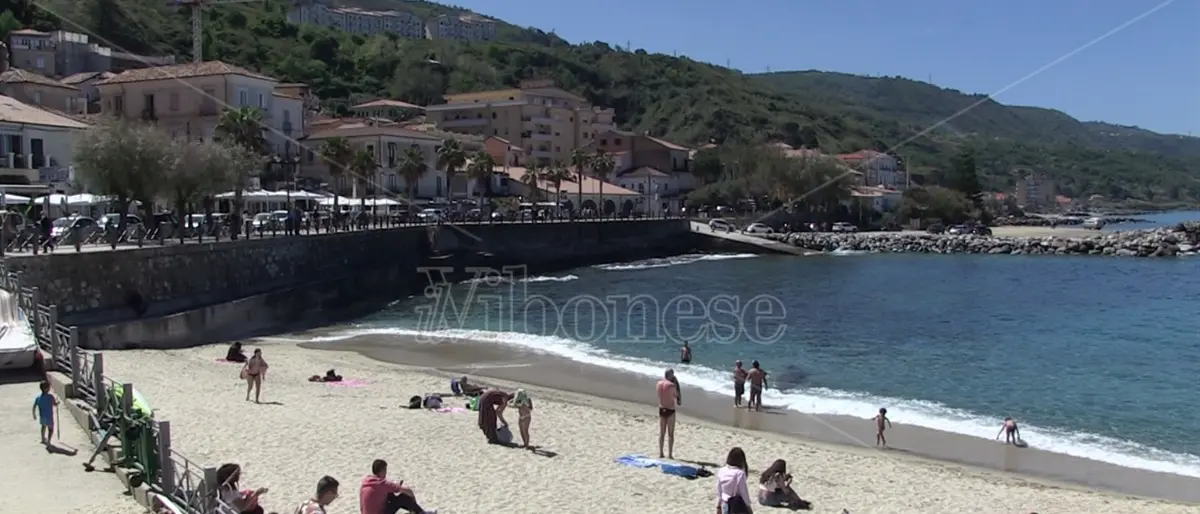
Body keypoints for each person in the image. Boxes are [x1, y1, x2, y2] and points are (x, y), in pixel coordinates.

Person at [359, 459, 437, 514]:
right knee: (402, 498)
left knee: (390, 494)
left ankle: (415, 511)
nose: (386, 473)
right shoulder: (381, 483)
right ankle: (421, 512)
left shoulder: (365, 482)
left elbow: (362, 505)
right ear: (382, 471)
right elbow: (408, 491)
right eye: (385, 471)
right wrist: (413, 500)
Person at [716, 447, 753, 514]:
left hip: (724, 503)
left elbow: (719, 491)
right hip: (736, 504)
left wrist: (718, 506)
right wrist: (748, 507)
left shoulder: (721, 470)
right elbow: (744, 492)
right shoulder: (740, 473)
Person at [656, 369, 681, 459]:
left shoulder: (658, 383)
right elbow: (676, 396)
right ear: (671, 376)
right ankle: (670, 454)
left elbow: (659, 395)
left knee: (662, 432)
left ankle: (661, 453)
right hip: (670, 409)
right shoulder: (672, 385)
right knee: (670, 433)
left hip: (662, 408)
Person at [31, 380, 58, 445]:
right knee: (50, 429)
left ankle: (43, 439)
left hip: (42, 416)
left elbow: (34, 406)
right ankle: (49, 440)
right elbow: (54, 404)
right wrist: (57, 403)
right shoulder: (50, 397)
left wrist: (34, 414)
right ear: (46, 389)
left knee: (43, 427)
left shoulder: (38, 398)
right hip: (49, 417)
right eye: (48, 387)